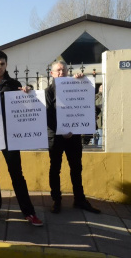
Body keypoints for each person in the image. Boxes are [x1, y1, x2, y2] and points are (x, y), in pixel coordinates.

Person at [0, 51, 43, 226]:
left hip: (10, 137)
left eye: (2, 64)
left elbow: (26, 105)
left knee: (17, 174)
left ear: (6, 65)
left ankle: (29, 212)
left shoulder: (14, 84)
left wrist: (28, 92)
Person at [45, 60, 101, 214]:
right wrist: (61, 130)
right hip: (56, 136)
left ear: (67, 71)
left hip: (74, 135)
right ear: (52, 73)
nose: (61, 73)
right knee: (55, 168)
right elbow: (48, 115)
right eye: (58, 70)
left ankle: (80, 199)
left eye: (63, 70)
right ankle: (56, 200)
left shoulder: (77, 84)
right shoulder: (48, 91)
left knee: (76, 167)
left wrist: (83, 81)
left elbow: (86, 102)